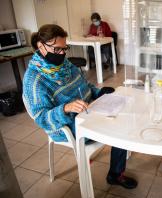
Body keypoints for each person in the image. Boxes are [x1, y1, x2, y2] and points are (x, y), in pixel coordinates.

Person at [23, 24, 137, 189]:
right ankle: (115, 175)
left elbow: (84, 85)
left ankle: (116, 168)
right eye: (57, 49)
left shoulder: (65, 64)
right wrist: (66, 108)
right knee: (119, 126)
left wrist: (99, 92)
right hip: (68, 125)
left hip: (89, 111)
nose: (62, 54)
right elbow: (42, 119)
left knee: (123, 109)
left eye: (65, 48)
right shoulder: (34, 80)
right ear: (41, 46)